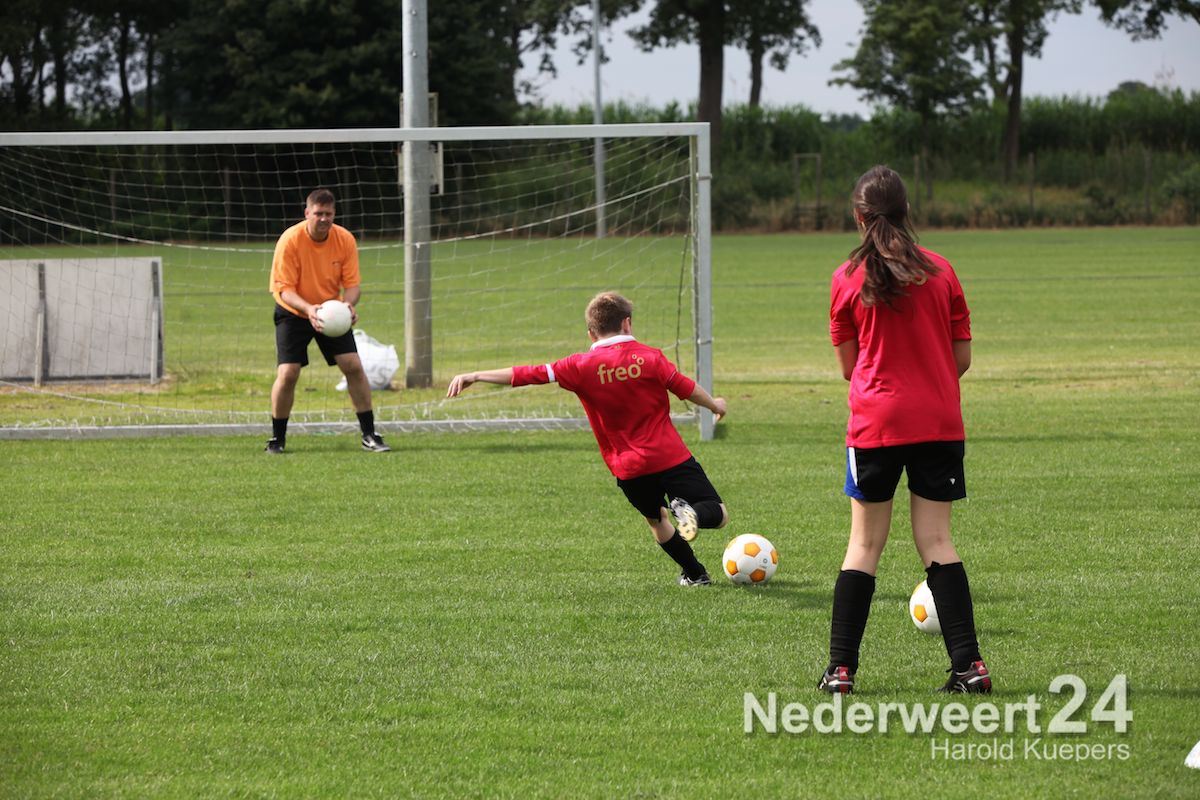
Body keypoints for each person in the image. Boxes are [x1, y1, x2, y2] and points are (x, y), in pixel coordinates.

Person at [819, 165, 990, 694]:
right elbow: (962, 358)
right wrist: (927, 378)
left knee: (864, 545)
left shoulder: (845, 278)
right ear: (908, 211)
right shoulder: (942, 271)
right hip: (938, 420)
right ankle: (970, 667)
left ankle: (841, 671)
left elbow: (849, 367)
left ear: (858, 217)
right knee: (937, 540)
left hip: (875, 424)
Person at [446, 292, 729, 585]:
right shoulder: (650, 357)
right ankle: (693, 514)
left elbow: (527, 374)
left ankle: (695, 574)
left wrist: (476, 375)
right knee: (719, 514)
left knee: (657, 521)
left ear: (591, 333)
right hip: (668, 456)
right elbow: (686, 389)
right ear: (627, 323)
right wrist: (714, 405)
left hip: (629, 468)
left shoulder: (579, 366)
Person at [266, 188, 390, 454]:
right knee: (288, 373)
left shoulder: (344, 239)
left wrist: (348, 305)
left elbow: (353, 286)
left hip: (332, 313)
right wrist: (309, 309)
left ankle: (370, 434)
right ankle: (277, 439)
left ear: (334, 214)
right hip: (293, 310)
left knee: (353, 366)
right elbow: (284, 290)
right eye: (318, 213)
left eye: (329, 214)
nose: (323, 219)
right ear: (307, 213)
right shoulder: (290, 240)